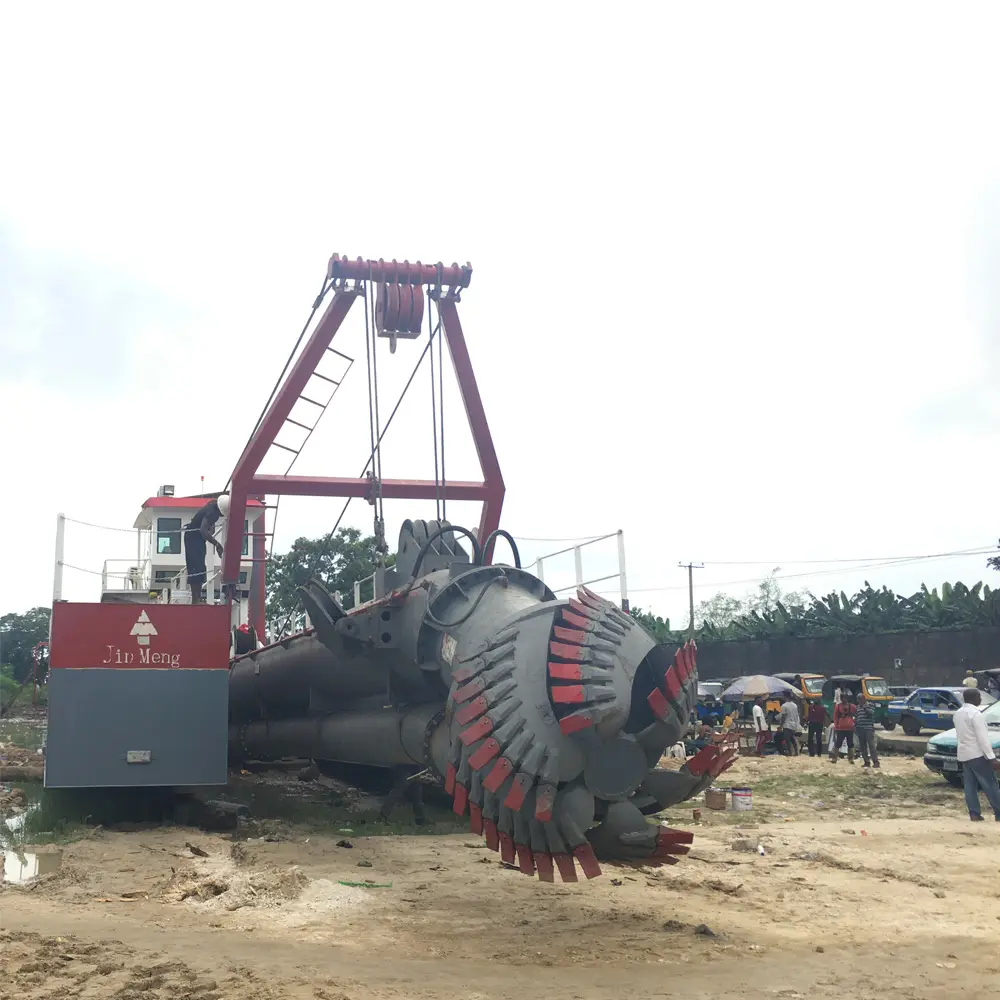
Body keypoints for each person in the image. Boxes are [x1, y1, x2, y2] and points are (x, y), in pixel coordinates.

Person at [954, 688, 1000, 822]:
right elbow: (983, 738)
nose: (980, 699)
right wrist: (992, 758)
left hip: (964, 754)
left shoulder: (958, 713)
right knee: (991, 785)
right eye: (979, 697)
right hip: (978, 754)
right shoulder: (975, 714)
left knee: (970, 786)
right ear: (974, 698)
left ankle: (974, 813)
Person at [184, 494, 229, 604]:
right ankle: (196, 600)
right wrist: (217, 544)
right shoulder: (213, 512)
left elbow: (207, 526)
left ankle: (196, 599)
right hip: (193, 538)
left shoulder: (212, 505)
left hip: (195, 538)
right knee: (196, 568)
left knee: (199, 568)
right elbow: (203, 530)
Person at [854, 695, 880, 768]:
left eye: (860, 699)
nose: (859, 701)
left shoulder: (870, 705)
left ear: (864, 699)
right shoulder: (857, 707)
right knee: (863, 747)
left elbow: (871, 713)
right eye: (858, 699)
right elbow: (856, 717)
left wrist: (865, 707)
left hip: (868, 729)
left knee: (871, 746)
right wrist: (856, 726)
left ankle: (876, 762)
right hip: (860, 729)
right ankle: (866, 762)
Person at [830, 694, 856, 764]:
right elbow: (835, 717)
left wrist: (854, 723)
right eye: (842, 698)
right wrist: (836, 726)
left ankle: (851, 758)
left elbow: (857, 714)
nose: (843, 699)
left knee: (850, 744)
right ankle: (834, 757)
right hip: (840, 728)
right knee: (838, 743)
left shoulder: (852, 706)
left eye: (844, 698)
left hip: (850, 728)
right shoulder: (838, 707)